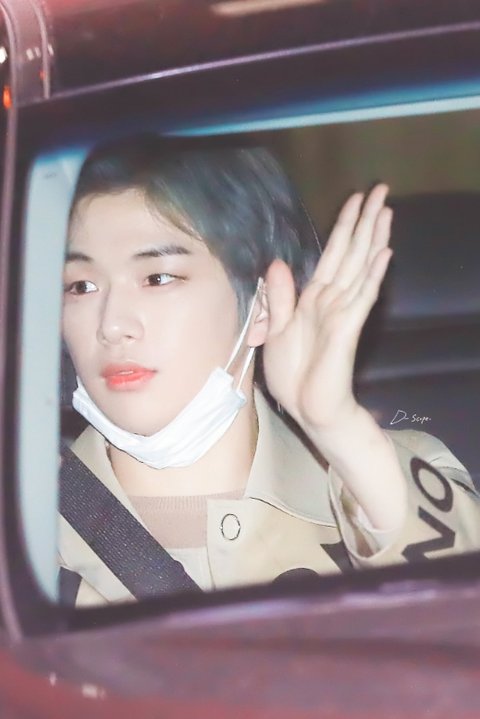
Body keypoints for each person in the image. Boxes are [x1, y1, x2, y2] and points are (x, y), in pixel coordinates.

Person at [59, 135, 480, 607]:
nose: (112, 325)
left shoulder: (382, 476)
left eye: (158, 278)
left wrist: (337, 427)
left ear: (261, 304)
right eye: (80, 286)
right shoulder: (22, 532)